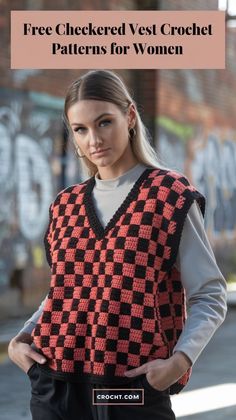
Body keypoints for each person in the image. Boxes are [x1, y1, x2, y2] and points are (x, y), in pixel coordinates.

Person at [8, 69, 227, 420]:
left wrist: (179, 362)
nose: (94, 139)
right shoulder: (64, 204)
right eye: (80, 129)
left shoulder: (168, 196)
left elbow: (210, 292)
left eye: (104, 122)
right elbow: (67, 289)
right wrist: (23, 337)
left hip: (129, 387)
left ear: (129, 116)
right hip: (56, 385)